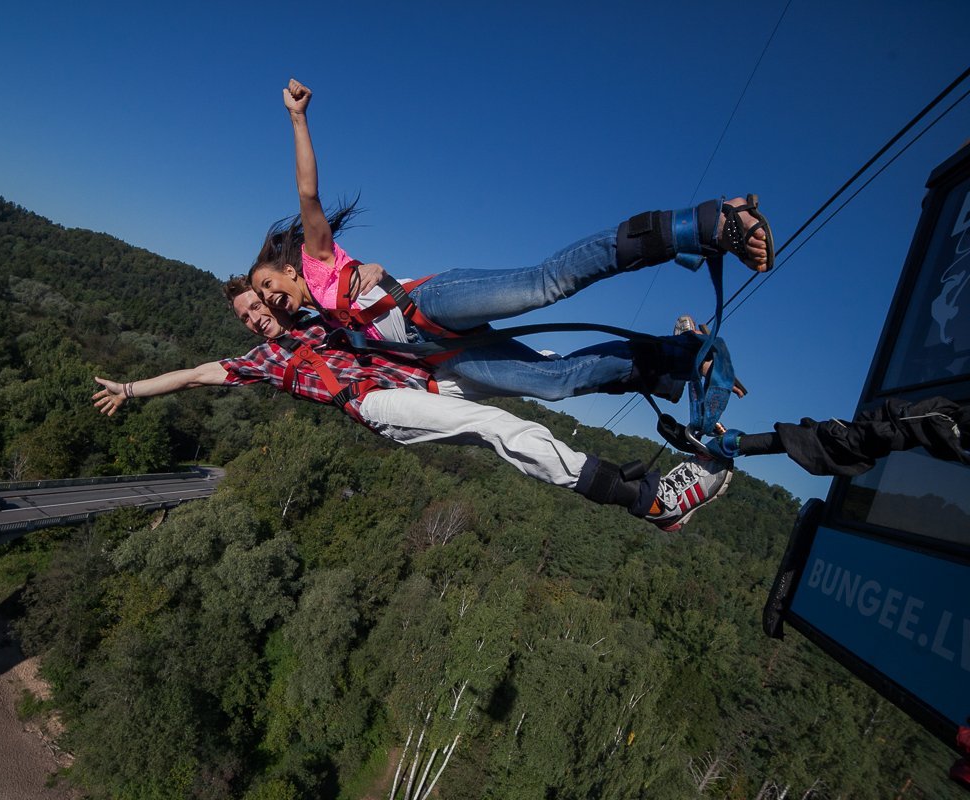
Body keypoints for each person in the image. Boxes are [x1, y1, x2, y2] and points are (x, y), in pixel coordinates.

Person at [246, 79, 772, 403]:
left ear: (287, 269)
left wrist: (297, 118)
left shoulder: (314, 262)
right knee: (553, 383)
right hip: (439, 355)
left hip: (428, 306)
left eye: (267, 284)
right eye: (263, 298)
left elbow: (307, 190)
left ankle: (704, 222)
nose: (269, 297)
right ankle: (677, 356)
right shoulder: (313, 327)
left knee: (542, 285)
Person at [92, 278, 733, 533]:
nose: (257, 318)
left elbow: (337, 276)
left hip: (426, 382)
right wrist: (129, 389)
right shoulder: (258, 362)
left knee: (540, 376)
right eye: (246, 315)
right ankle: (644, 498)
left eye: (259, 306)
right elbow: (190, 375)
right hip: (379, 406)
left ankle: (674, 361)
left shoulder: (317, 320)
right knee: (495, 427)